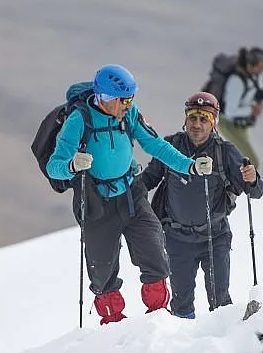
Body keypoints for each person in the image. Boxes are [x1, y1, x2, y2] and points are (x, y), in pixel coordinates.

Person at [44, 64, 213, 324]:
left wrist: (189, 166)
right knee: (102, 273)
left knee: (155, 255)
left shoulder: (129, 114)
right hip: (96, 204)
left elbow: (155, 145)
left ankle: (158, 319)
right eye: (124, 100)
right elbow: (54, 167)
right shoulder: (79, 120)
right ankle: (113, 325)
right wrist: (71, 165)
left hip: (131, 196)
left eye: (131, 98)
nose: (129, 104)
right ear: (105, 97)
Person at [138, 93, 263, 318]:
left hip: (215, 239)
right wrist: (121, 190)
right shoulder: (170, 147)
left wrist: (252, 178)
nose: (196, 124)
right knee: (181, 305)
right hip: (177, 239)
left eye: (203, 119)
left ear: (213, 122)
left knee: (220, 302)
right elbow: (147, 180)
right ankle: (184, 351)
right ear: (185, 119)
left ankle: (221, 348)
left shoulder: (225, 152)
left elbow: (255, 192)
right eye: (192, 118)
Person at [214, 47, 263, 171]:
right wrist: (251, 110)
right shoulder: (236, 81)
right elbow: (230, 112)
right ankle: (242, 187)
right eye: (261, 66)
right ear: (251, 65)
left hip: (241, 124)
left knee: (243, 159)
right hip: (228, 124)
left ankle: (238, 185)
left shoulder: (255, 77)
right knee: (251, 161)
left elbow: (255, 92)